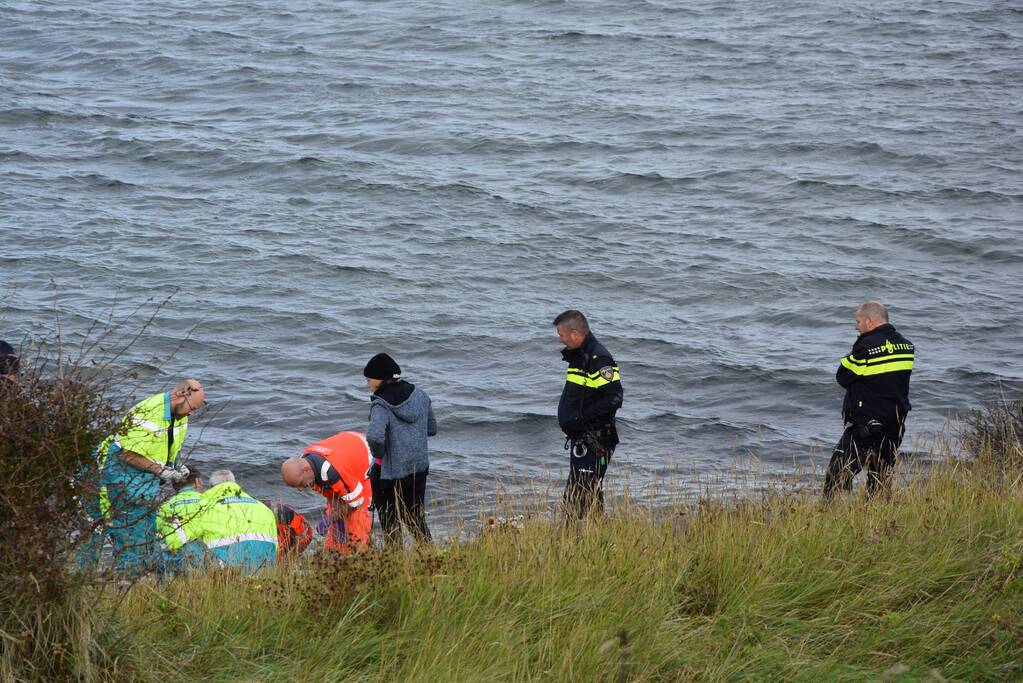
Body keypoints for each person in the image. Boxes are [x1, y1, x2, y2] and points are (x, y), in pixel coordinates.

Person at [95, 379, 204, 573]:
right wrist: (160, 471)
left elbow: (168, 446)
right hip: (121, 481)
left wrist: (178, 465)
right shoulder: (148, 412)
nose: (191, 413)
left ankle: (132, 583)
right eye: (191, 408)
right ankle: (124, 584)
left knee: (144, 539)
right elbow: (125, 453)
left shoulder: (180, 416)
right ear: (179, 396)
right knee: (130, 541)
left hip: (143, 487)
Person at [823, 301, 914, 499]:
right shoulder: (907, 346)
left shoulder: (865, 347)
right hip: (895, 424)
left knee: (836, 476)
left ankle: (830, 518)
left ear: (870, 321)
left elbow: (843, 376)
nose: (856, 327)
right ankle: (877, 519)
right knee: (880, 478)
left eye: (858, 322)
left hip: (866, 426)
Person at [553, 310, 624, 518]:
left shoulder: (599, 358)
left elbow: (614, 398)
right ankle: (590, 538)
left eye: (562, 334)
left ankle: (576, 540)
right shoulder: (579, 356)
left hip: (595, 440)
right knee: (584, 492)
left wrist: (581, 420)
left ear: (575, 333)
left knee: (579, 495)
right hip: (581, 438)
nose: (560, 339)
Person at [363, 352, 436, 545]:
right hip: (418, 468)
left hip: (388, 474)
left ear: (381, 379)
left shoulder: (381, 405)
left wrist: (380, 455)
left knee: (390, 524)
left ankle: (395, 565)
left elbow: (374, 437)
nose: (367, 384)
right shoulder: (420, 395)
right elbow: (432, 428)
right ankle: (430, 557)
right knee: (416, 520)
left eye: (369, 379)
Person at [160, 469, 277, 571]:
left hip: (227, 575)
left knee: (186, 542)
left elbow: (177, 540)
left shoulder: (204, 507)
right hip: (266, 571)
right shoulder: (264, 509)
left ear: (211, 488)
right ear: (235, 484)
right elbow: (275, 548)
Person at [281, 431, 373, 554]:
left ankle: (360, 558)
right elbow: (332, 491)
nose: (301, 489)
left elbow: (355, 503)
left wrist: (329, 519)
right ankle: (335, 552)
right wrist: (337, 520)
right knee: (335, 533)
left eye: (300, 484)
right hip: (345, 448)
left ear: (306, 471)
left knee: (357, 530)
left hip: (363, 459)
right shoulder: (307, 462)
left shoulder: (333, 473)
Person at [156, 466, 209, 572]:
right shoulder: (208, 502)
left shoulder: (165, 507)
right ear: (196, 482)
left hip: (173, 563)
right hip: (204, 562)